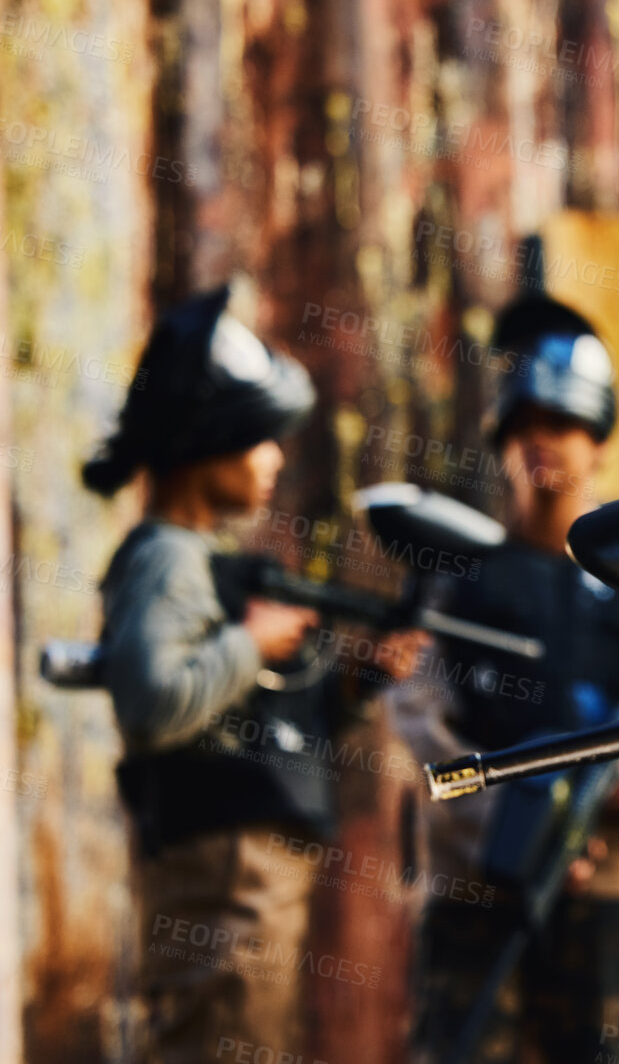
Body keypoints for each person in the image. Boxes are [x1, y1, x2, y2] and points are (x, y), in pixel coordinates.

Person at [84, 285, 422, 1064]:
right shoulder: (166, 556)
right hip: (225, 870)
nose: (274, 459)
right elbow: (152, 701)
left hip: (250, 867)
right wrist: (253, 641)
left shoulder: (200, 560)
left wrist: (355, 683)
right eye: (259, 439)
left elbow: (251, 725)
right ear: (211, 439)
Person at [400, 293, 619, 1064]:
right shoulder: (462, 581)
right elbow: (420, 724)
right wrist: (516, 827)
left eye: (561, 427)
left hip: (606, 903)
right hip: (477, 895)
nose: (542, 446)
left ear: (597, 442)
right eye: (524, 428)